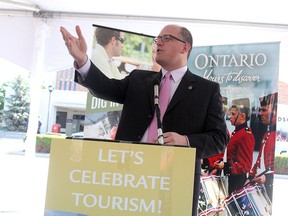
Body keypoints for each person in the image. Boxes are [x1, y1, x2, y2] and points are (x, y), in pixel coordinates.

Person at [60, 24, 229, 216]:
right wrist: (82, 60)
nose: (158, 43)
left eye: (166, 38)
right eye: (157, 39)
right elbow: (105, 87)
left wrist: (185, 141)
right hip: (129, 177)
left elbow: (219, 139)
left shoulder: (207, 90)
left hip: (174, 183)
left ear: (185, 47)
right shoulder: (138, 79)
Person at [214, 98, 255, 195]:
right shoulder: (237, 132)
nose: (229, 116)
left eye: (233, 114)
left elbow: (245, 166)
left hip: (238, 183)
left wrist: (225, 166)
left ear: (242, 116)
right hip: (232, 179)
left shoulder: (245, 135)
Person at [247, 92, 278, 201]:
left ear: (276, 112)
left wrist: (267, 178)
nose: (260, 114)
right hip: (262, 189)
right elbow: (259, 161)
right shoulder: (267, 134)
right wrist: (250, 177)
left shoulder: (280, 136)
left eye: (264, 110)